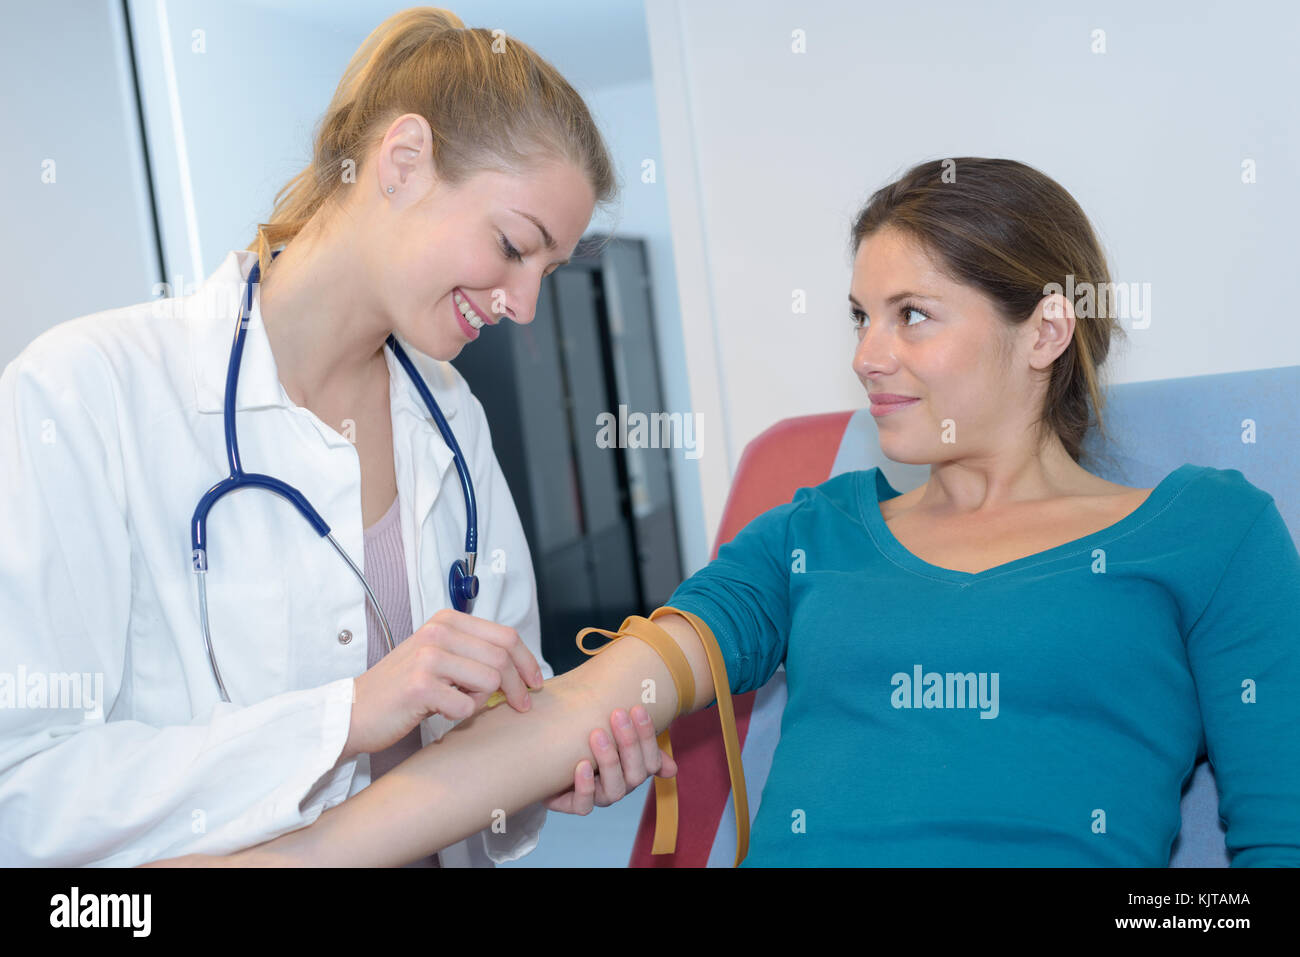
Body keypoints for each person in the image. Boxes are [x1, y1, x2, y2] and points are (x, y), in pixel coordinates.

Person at [149, 156, 1300, 867]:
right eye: (857, 314)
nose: (865, 356)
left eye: (911, 315)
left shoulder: (1204, 532)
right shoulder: (816, 534)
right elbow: (567, 719)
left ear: (1042, 331)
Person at [0, 7, 675, 868]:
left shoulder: (452, 420)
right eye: (512, 246)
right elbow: (21, 792)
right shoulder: (89, 392)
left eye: (546, 271)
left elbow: (492, 745)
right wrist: (346, 715)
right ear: (402, 163)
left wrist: (535, 775)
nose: (525, 305)